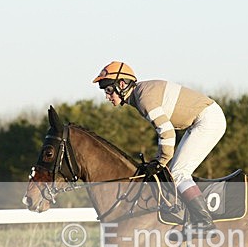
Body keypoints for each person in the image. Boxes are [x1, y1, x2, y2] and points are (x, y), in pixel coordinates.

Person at [93, 61, 226, 231]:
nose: (107, 96)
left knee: (178, 173)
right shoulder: (140, 94)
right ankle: (188, 215)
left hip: (208, 120)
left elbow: (167, 132)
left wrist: (159, 161)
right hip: (201, 120)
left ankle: (204, 222)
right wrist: (160, 161)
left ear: (122, 84)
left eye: (109, 90)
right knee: (173, 172)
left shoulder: (144, 99)